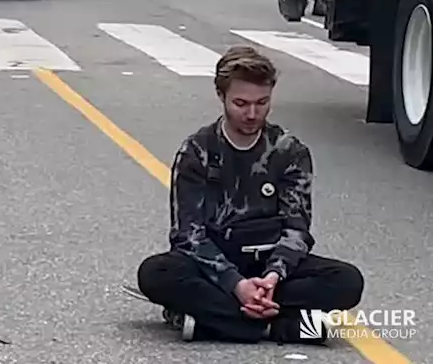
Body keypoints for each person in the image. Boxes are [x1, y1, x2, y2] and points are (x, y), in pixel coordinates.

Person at [136, 45, 365, 344]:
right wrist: (235, 284)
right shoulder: (197, 151)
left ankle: (215, 320)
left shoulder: (289, 151)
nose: (252, 114)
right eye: (241, 103)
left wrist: (272, 277)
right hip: (216, 260)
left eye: (262, 103)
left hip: (269, 260)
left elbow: (297, 231)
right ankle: (276, 326)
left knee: (347, 281)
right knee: (156, 273)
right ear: (222, 97)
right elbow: (187, 236)